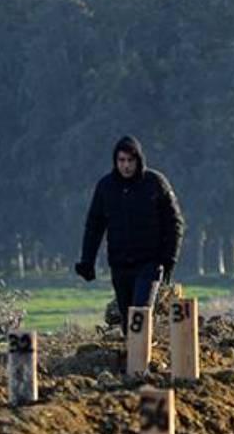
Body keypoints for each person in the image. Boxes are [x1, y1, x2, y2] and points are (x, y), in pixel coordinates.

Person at [75, 136, 185, 318]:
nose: (126, 166)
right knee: (128, 322)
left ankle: (143, 344)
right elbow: (94, 226)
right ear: (115, 161)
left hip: (149, 263)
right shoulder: (106, 187)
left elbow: (175, 223)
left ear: (138, 160)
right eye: (122, 160)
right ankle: (138, 345)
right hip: (119, 265)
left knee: (140, 314)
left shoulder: (155, 183)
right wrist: (87, 261)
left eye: (130, 161)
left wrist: (169, 259)